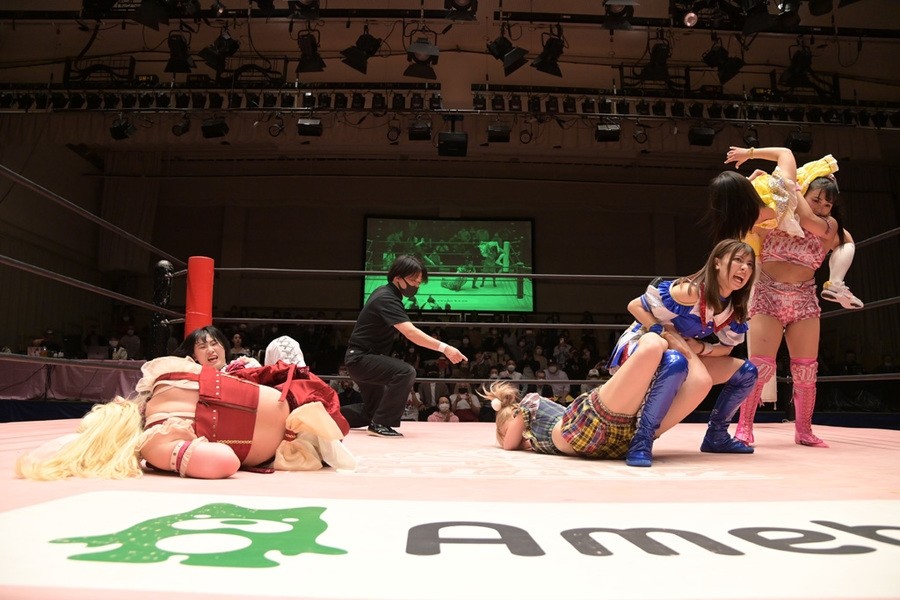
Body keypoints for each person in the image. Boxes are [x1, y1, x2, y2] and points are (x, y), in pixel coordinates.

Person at [15, 328, 357, 481]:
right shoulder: (163, 378)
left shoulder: (156, 442)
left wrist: (173, 458)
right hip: (303, 418)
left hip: (303, 426)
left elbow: (226, 461)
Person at [723, 146, 850, 448]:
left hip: (804, 300)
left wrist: (790, 189)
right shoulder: (777, 217)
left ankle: (804, 430)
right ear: (805, 194)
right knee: (760, 365)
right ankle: (744, 427)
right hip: (768, 294)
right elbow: (747, 216)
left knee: (806, 369)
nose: (822, 206)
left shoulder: (828, 226)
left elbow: (837, 236)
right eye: (816, 199)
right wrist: (758, 185)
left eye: (828, 203)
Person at [610, 239, 758, 454]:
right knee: (676, 362)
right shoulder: (691, 291)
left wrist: (700, 348)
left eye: (750, 264)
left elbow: (727, 348)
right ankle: (642, 440)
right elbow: (635, 305)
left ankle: (717, 436)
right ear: (717, 263)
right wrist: (662, 333)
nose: (744, 268)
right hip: (645, 345)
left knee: (747, 372)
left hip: (682, 351)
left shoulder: (733, 307)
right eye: (738, 260)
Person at [484, 330, 690, 467]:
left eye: (507, 430)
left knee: (652, 349)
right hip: (600, 441)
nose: (517, 436)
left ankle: (654, 340)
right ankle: (661, 353)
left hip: (581, 426)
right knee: (693, 382)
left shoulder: (527, 406)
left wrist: (513, 440)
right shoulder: (534, 434)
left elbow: (509, 444)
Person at [344, 255, 466, 437]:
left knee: (373, 411)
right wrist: (445, 348)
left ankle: (328, 417)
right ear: (397, 278)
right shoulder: (386, 298)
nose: (416, 285)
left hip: (364, 358)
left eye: (419, 282)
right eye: (413, 280)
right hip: (361, 359)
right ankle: (381, 424)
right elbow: (410, 332)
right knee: (405, 372)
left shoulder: (387, 294)